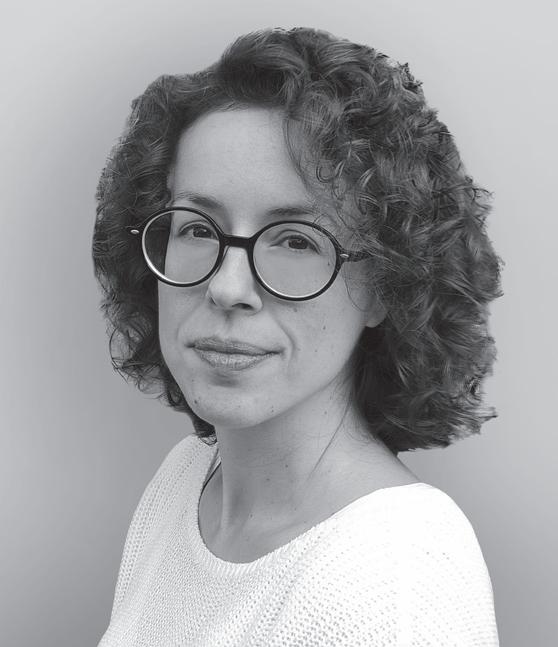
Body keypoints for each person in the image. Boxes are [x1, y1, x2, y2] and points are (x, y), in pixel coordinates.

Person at [93, 27, 502, 646]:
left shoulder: (395, 592)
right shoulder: (187, 480)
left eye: (295, 241)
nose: (228, 287)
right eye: (196, 228)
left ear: (388, 285)